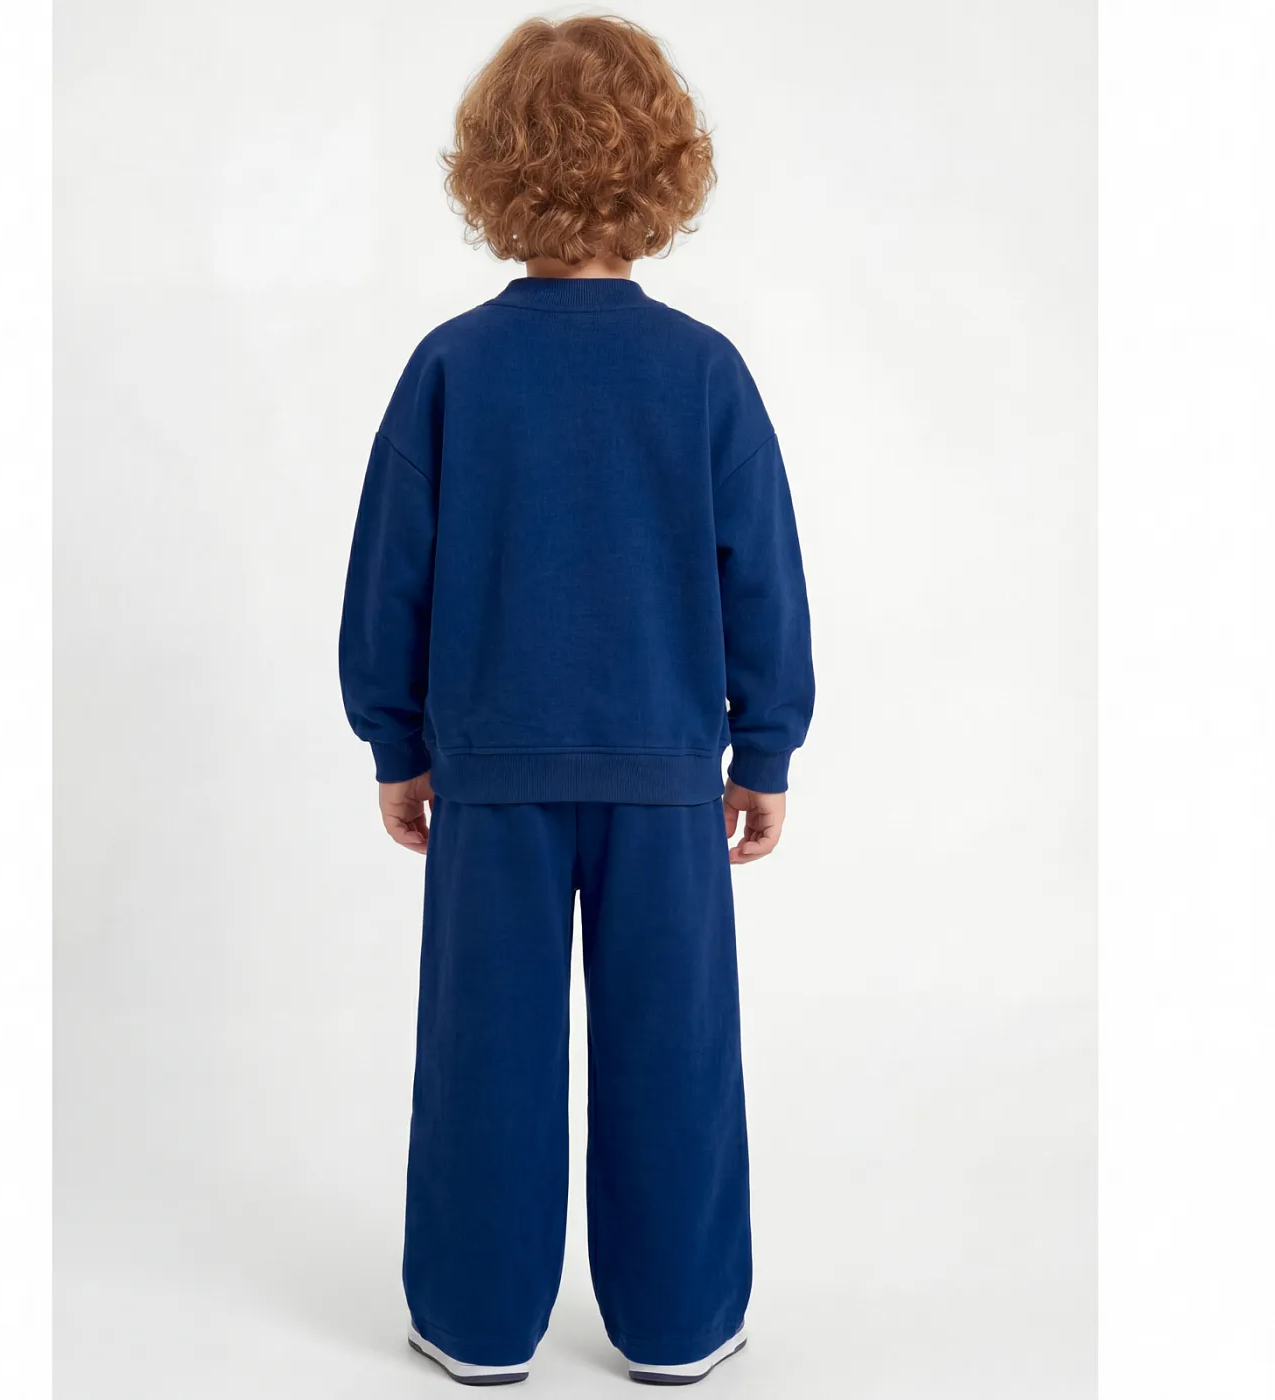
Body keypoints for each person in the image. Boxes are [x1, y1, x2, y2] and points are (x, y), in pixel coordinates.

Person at [340, 15, 813, 1387]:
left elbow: (391, 574)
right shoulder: (703, 372)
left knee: (483, 1056)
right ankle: (679, 1325)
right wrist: (765, 749)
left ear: (493, 167)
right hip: (667, 780)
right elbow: (761, 576)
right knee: (676, 1056)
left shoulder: (452, 367)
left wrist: (396, 744)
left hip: (490, 777)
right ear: (666, 167)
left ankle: (476, 1325)